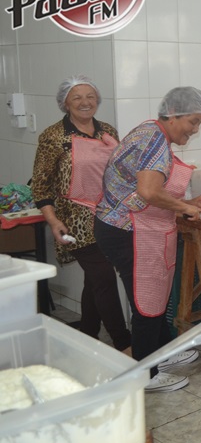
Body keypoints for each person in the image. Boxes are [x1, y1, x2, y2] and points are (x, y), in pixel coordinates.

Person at [94, 87, 201, 393]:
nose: (195, 129)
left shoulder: (151, 130)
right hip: (126, 230)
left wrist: (188, 200)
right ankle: (148, 374)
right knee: (146, 298)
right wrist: (185, 208)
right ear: (173, 114)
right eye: (193, 121)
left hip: (125, 227)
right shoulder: (155, 138)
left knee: (155, 293)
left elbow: (149, 185)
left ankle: (164, 351)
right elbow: (148, 192)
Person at [31, 76, 130, 351]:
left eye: (90, 96)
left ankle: (87, 333)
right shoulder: (53, 136)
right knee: (105, 278)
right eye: (77, 97)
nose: (85, 102)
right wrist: (52, 220)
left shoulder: (107, 131)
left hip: (110, 216)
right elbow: (40, 183)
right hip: (75, 220)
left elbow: (122, 171)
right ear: (65, 103)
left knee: (95, 279)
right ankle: (124, 344)